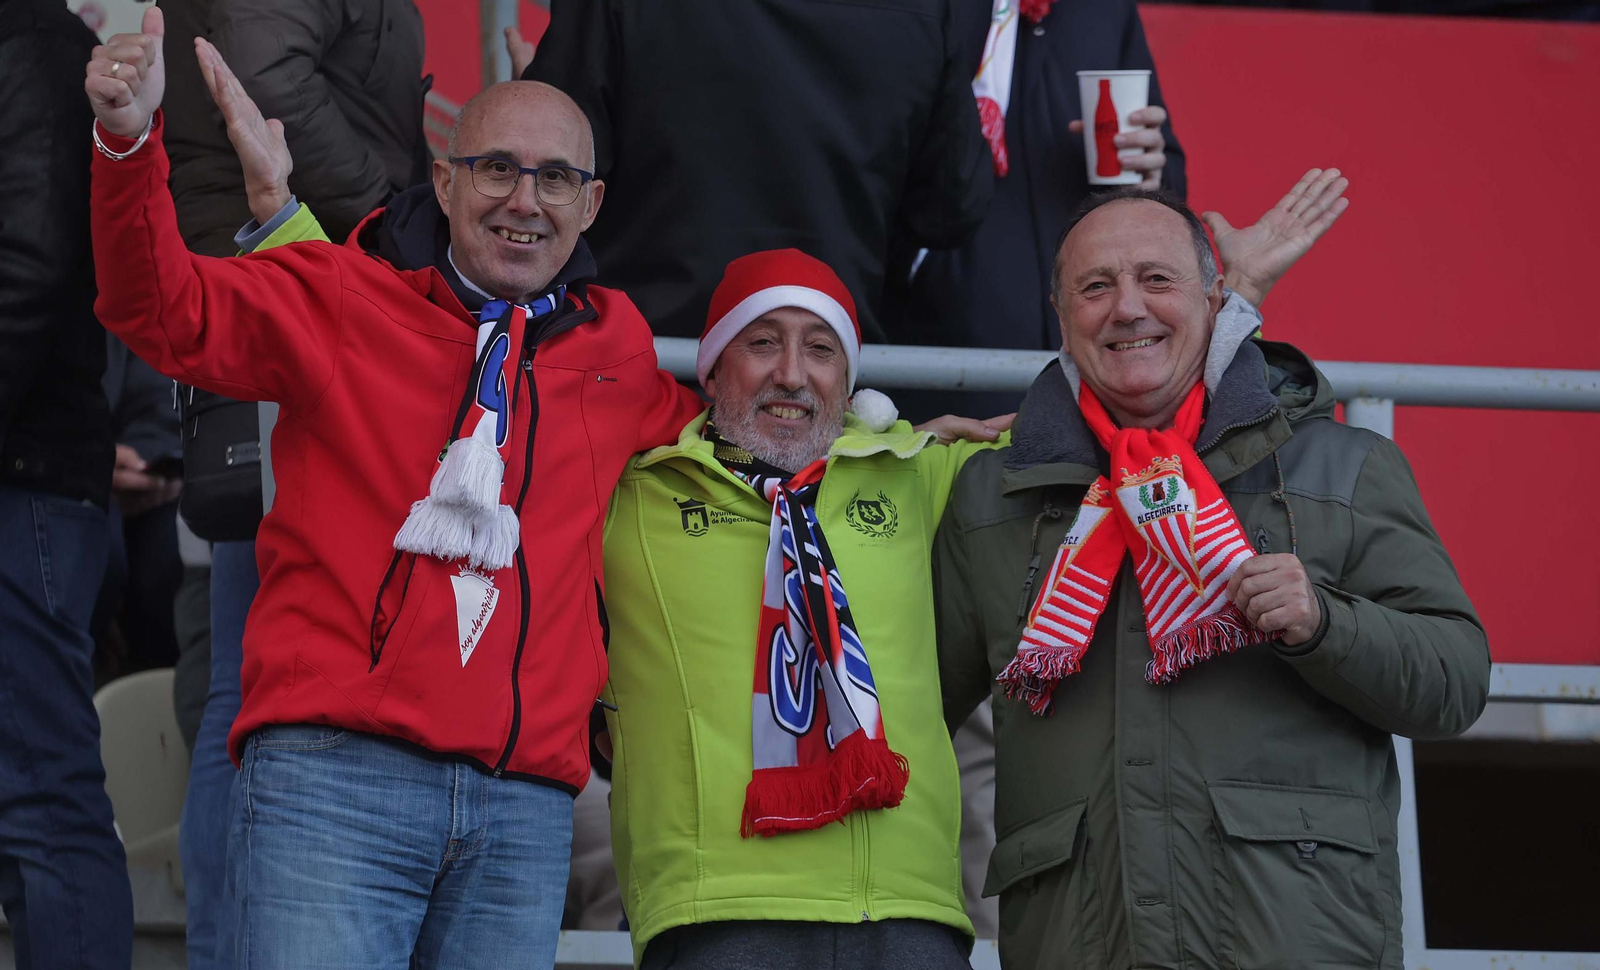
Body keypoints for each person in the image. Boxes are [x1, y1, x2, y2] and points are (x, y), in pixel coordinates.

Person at [83, 11, 700, 967]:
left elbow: (732, 436)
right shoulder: (342, 297)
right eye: (497, 168)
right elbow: (159, 307)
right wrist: (129, 145)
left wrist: (904, 435)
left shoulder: (614, 348)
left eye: (555, 179)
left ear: (592, 204)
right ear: (445, 182)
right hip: (334, 786)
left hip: (522, 804)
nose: (524, 200)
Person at [932, 187, 1490, 969]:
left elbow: (1457, 681)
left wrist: (1325, 623)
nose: (1127, 308)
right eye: (1096, 287)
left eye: (1157, 280)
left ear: (1216, 295)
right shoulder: (994, 496)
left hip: (1294, 944)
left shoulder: (1342, 467)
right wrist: (878, 463)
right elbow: (908, 711)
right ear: (1062, 314)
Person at [157, 3, 428, 965]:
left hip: (293, 273)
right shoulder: (378, 227)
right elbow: (263, 78)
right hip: (294, 279)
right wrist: (397, 210)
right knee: (255, 681)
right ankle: (235, 948)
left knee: (255, 672)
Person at [515, 0, 995, 342]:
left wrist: (531, 103)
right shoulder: (925, 10)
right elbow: (951, 207)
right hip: (823, 368)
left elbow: (551, 173)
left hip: (649, 361)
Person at [0, 0, 132, 966]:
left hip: (26, 480)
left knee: (43, 803)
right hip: (34, 476)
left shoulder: (34, 47)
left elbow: (31, 266)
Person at [886, 0, 1185, 421]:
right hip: (944, 335)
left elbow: (1168, 175)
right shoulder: (927, 9)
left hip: (1091, 343)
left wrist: (1151, 172)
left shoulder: (1106, 10)